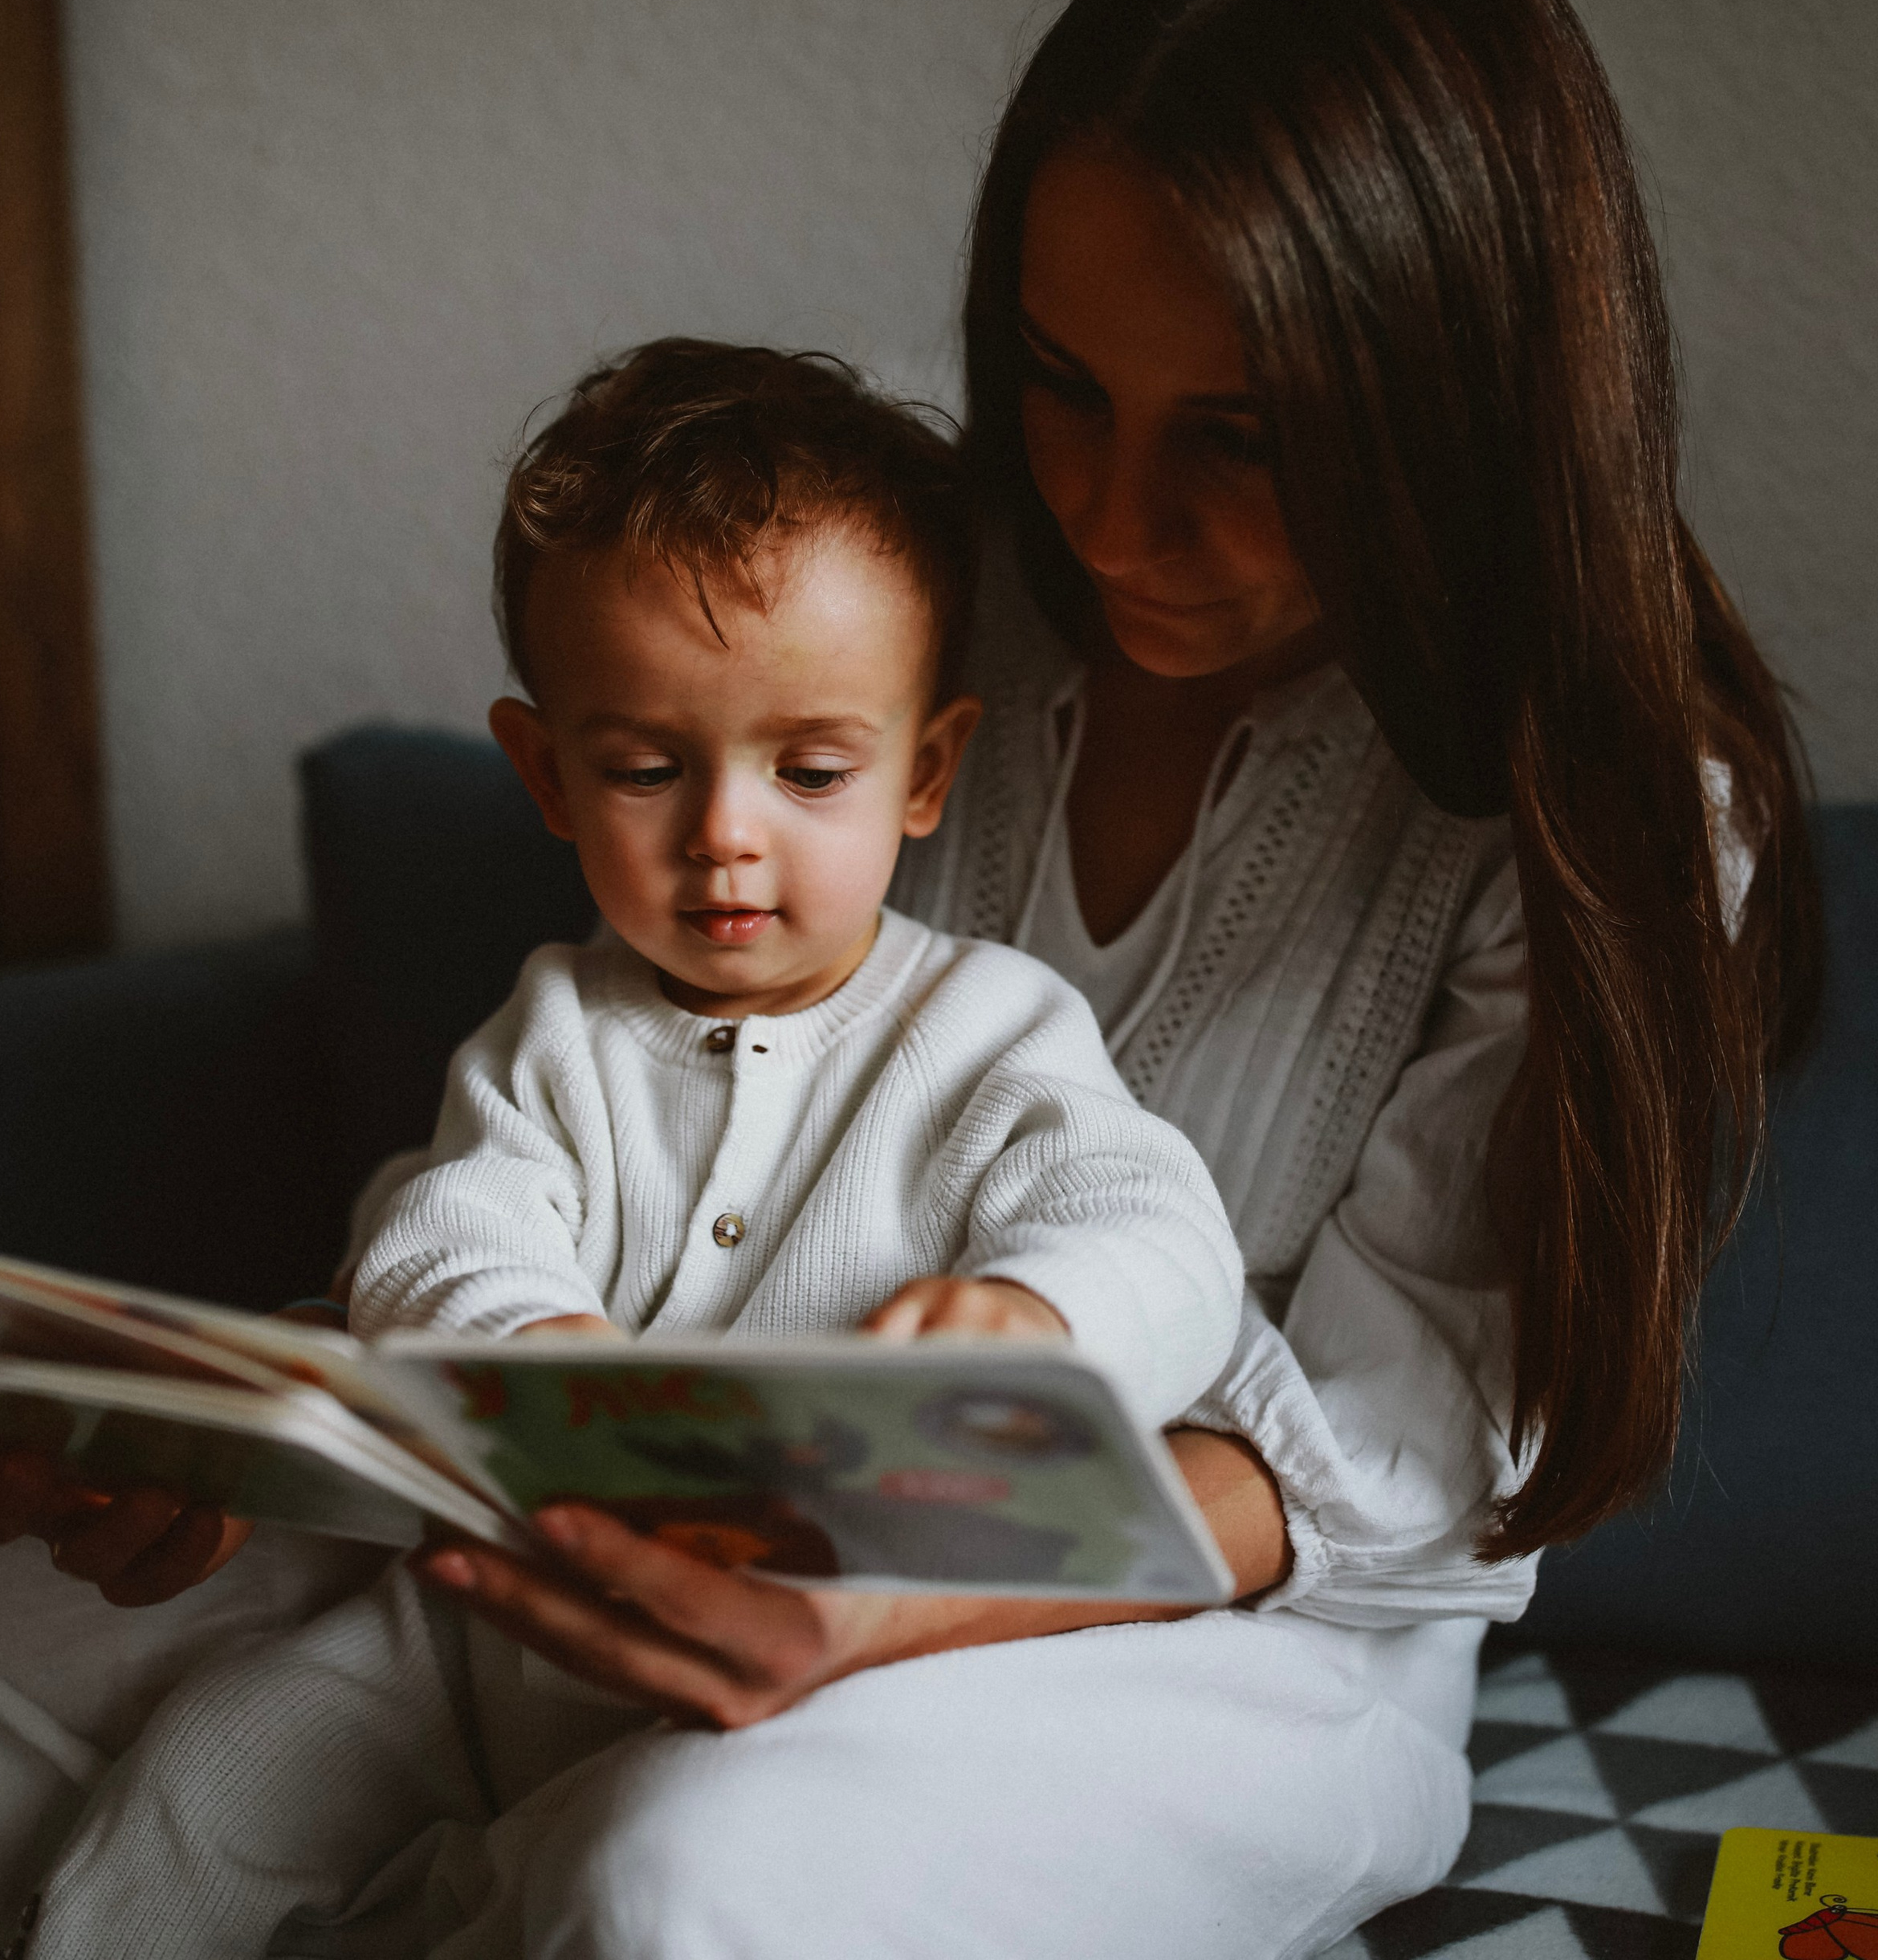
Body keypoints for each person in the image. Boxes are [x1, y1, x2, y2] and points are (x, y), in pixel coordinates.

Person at [2, 0, 1822, 1954]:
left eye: (1241, 434)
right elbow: (615, 1145)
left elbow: (1368, 1477)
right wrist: (298, 1429)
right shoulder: (909, 593)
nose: (1115, 525)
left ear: (1449, 395)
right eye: (1059, 385)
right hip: (667, 1479)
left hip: (1221, 1619)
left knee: (683, 1870)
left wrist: (882, 1584)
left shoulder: (1612, 804)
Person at [20, 337, 1247, 1958]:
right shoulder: (556, 1031)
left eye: (811, 770)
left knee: (623, 1884)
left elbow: (1165, 1237)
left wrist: (1042, 1316)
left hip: (809, 1664)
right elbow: (442, 1230)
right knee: (196, 1789)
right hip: (477, 1638)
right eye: (646, 767)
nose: (725, 832)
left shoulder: (991, 1033)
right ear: (543, 771)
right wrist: (535, 1347)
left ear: (926, 771)